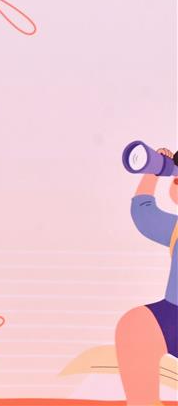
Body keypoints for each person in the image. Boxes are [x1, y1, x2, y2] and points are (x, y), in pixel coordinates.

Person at [116, 147, 178, 406]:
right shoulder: (176, 228)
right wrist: (154, 170)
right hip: (173, 314)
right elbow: (144, 213)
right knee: (136, 325)